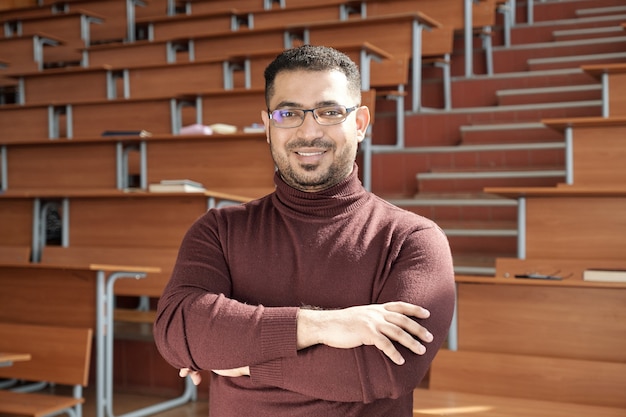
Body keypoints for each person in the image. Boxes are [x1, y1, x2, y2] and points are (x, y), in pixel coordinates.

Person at [153, 45, 456, 417]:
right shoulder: (219, 229)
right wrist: (324, 325)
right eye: (289, 113)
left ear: (360, 123)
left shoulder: (412, 239)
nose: (308, 131)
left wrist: (244, 360)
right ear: (268, 126)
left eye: (329, 112)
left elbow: (387, 370)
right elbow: (178, 331)